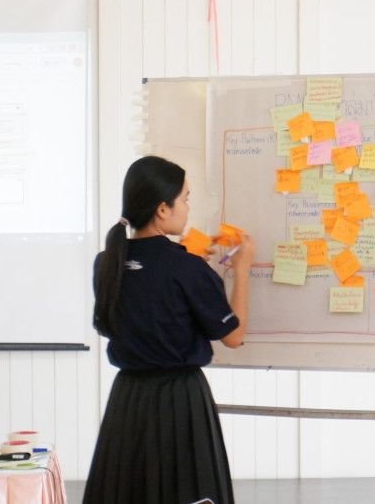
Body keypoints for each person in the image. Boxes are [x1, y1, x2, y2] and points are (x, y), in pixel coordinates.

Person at [83, 155, 254, 504]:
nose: (187, 209)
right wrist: (242, 270)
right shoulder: (186, 267)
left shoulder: (106, 262)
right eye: (185, 199)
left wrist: (187, 260)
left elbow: (147, 285)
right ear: (163, 209)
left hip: (128, 399)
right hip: (180, 400)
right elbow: (234, 337)